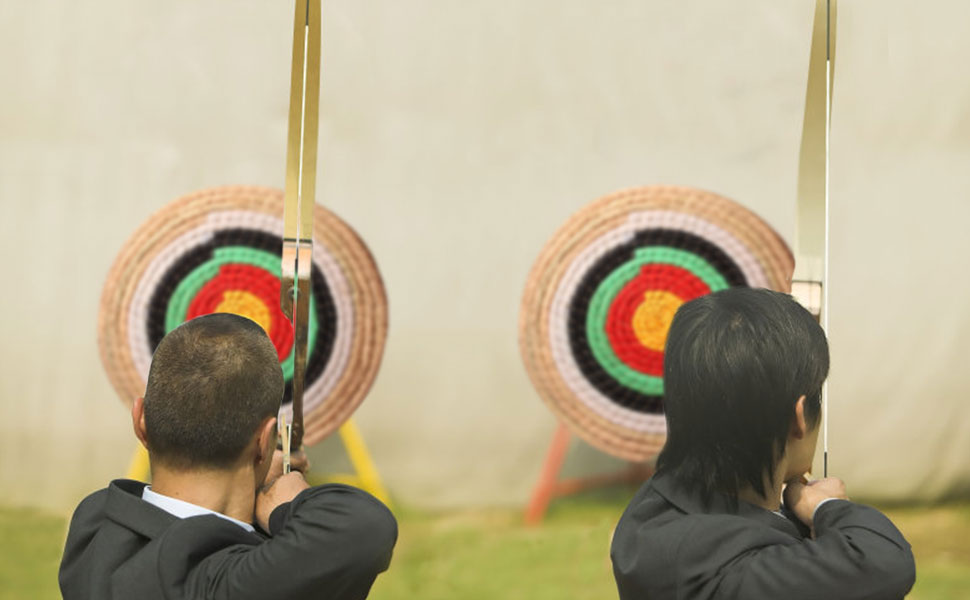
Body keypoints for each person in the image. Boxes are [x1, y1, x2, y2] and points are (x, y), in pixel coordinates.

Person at [59, 313, 397, 599]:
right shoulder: (219, 582)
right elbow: (365, 529)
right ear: (265, 441)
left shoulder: (95, 524)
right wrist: (287, 506)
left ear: (141, 421)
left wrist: (253, 475)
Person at [611, 288, 915, 600]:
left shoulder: (652, 512)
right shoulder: (740, 574)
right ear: (798, 417)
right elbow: (883, 560)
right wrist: (828, 507)